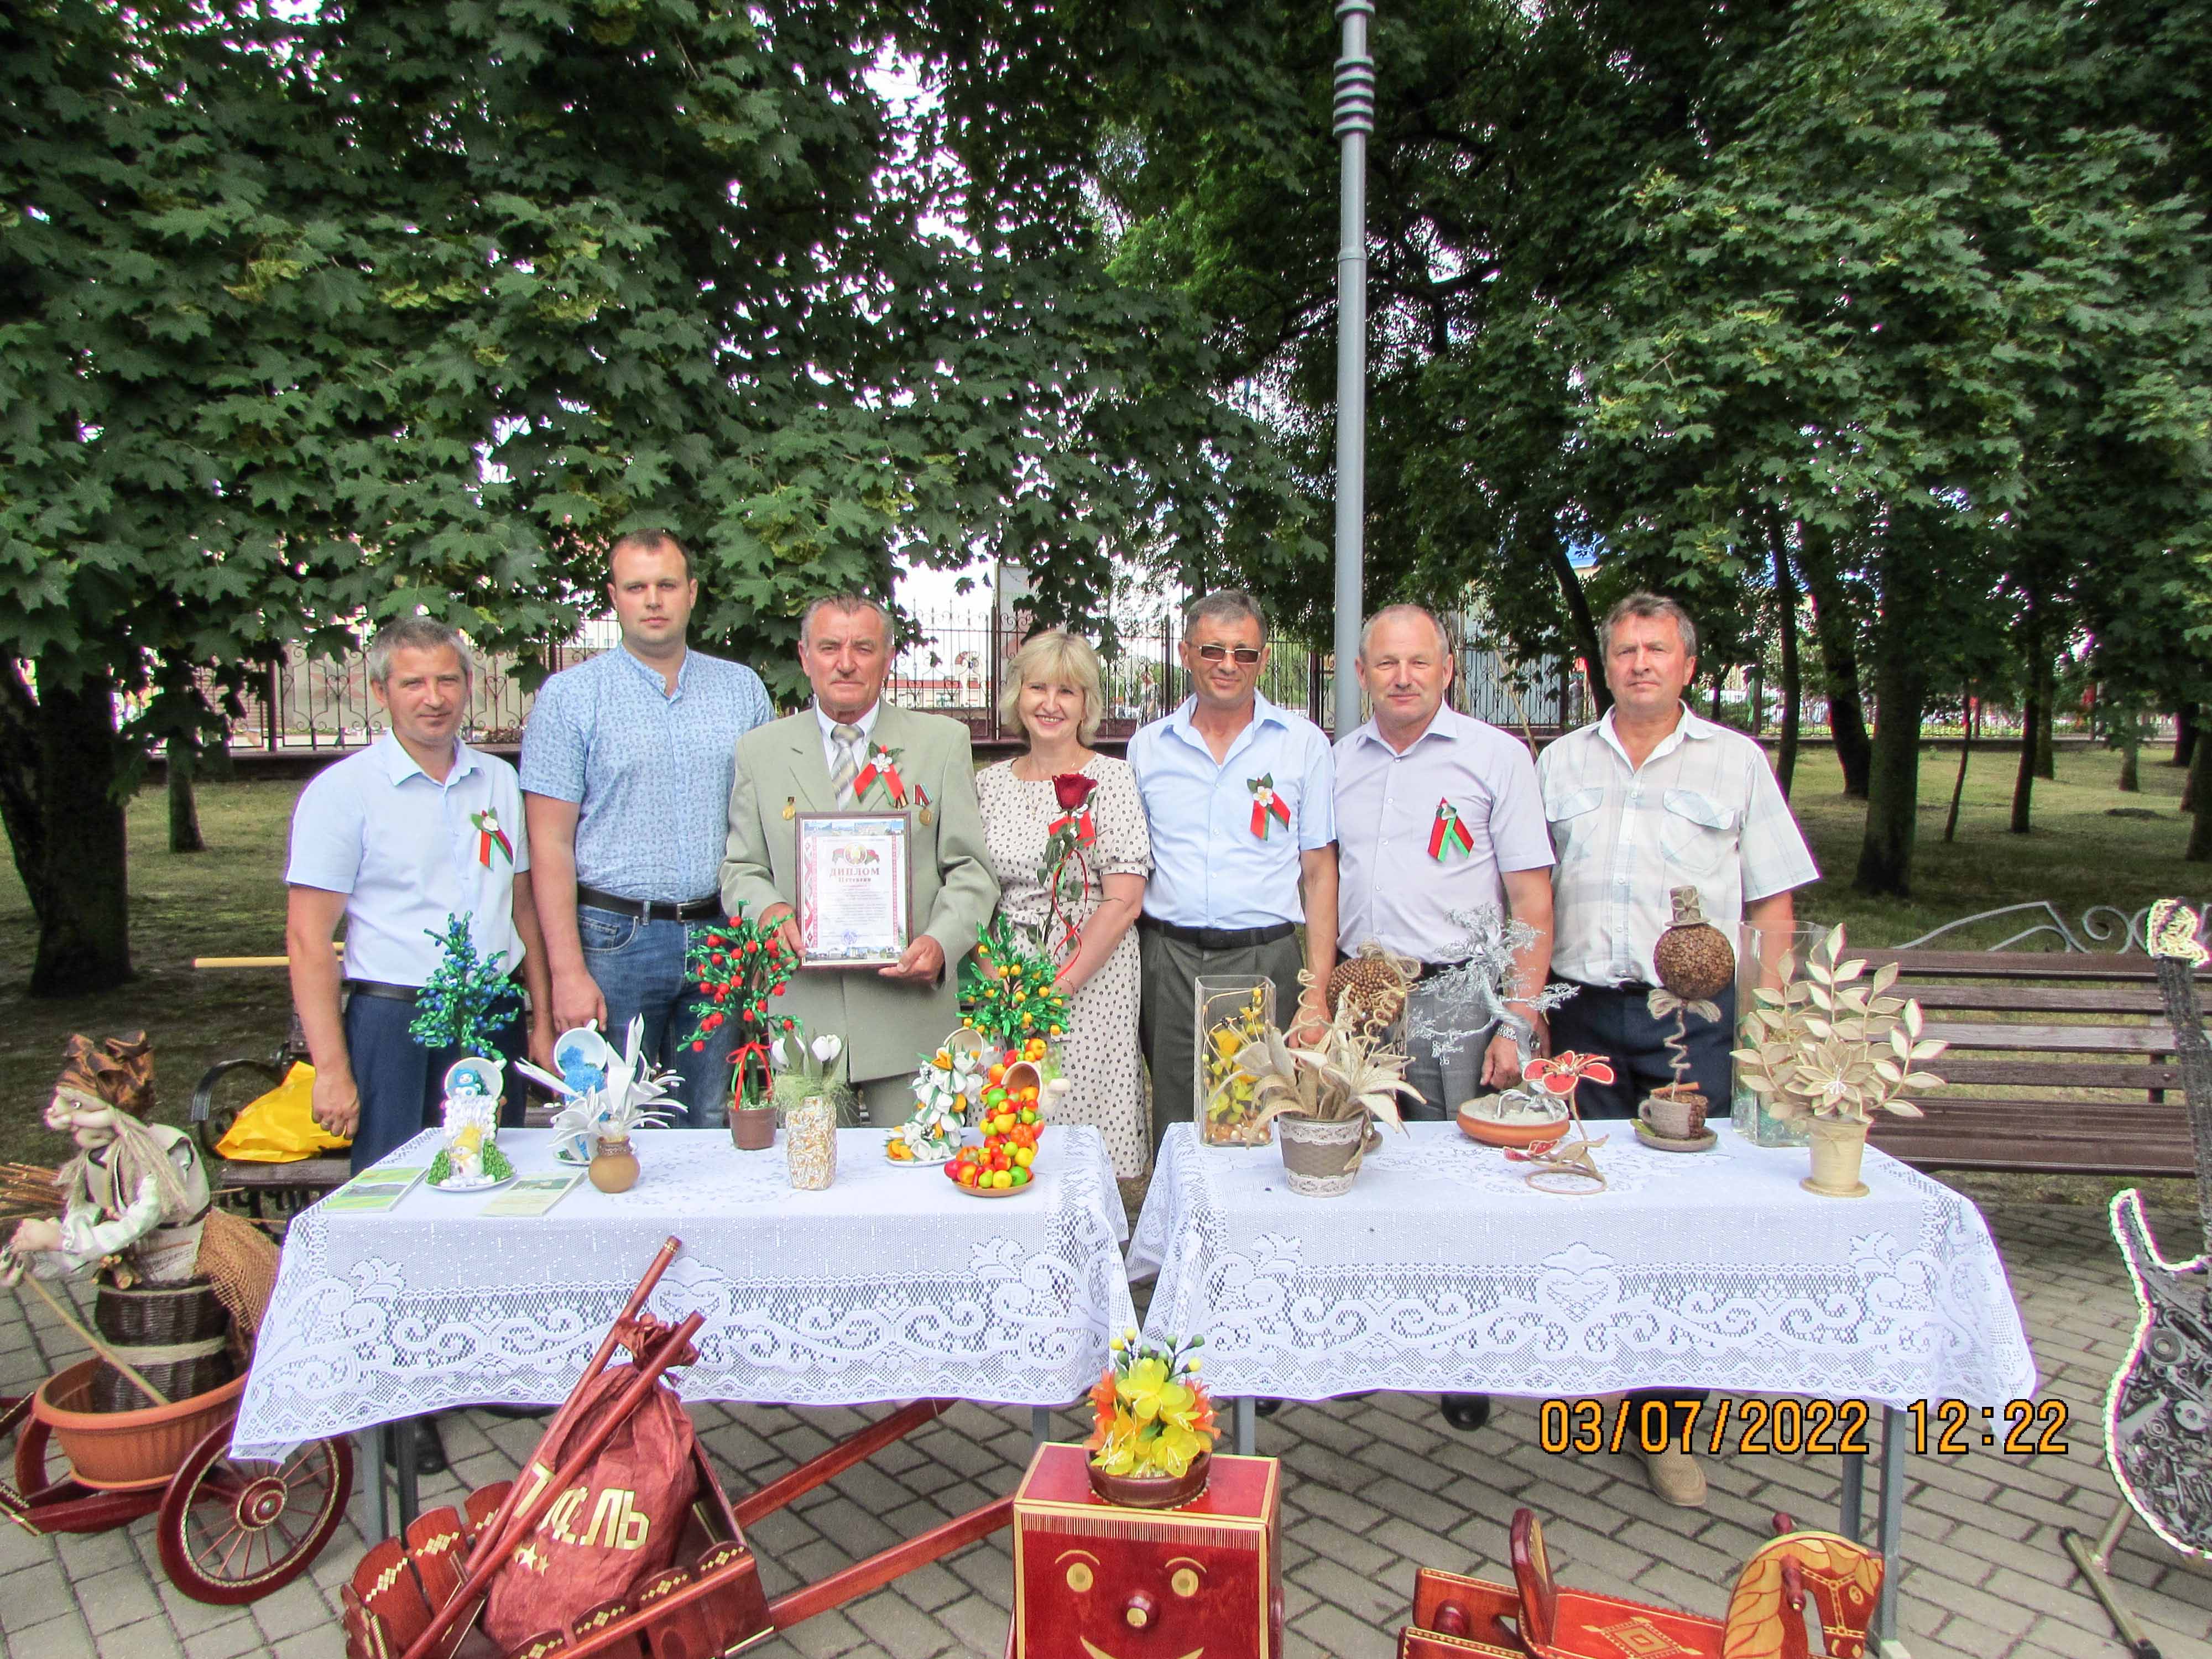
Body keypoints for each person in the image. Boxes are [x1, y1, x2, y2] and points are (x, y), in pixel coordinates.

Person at [1539, 591, 1818, 1508]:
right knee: (1591, 1207)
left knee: (1686, 1219)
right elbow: (1531, 896)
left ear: (1688, 666)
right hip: (1582, 1015)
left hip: (1688, 1023)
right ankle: (1600, 1381)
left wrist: (1771, 1035)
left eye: (1657, 650)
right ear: (1603, 666)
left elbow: (1772, 905)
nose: (1640, 664)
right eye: (1624, 650)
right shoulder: (1560, 763)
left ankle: (1668, 1423)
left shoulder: (1735, 763)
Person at [286, 617, 552, 1477]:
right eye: (413, 684)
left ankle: (473, 1358)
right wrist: (332, 1064)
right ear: (379, 692)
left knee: (485, 1184)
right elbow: (307, 938)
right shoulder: (344, 793)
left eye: (447, 680)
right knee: (394, 1198)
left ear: (467, 686)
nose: (434, 698)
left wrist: (540, 1016)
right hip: (395, 1019)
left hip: (489, 1013)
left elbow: (521, 912)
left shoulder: (497, 784)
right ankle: (397, 1391)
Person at [521, 530, 774, 1126]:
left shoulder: (741, 690)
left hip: (720, 932)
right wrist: (566, 973)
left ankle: (698, 1226)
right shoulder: (571, 699)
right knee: (609, 1122)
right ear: (615, 597)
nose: (652, 600)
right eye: (636, 587)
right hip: (613, 939)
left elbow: (765, 825)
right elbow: (548, 844)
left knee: (709, 1121)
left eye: (666, 585)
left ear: (691, 593)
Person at [719, 594, 999, 1121]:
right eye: (829, 647)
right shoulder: (760, 751)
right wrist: (771, 914)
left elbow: (970, 870)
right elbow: (741, 868)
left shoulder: (941, 742)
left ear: (888, 657)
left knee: (919, 1186)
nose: (845, 662)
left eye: (863, 648)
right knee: (813, 1188)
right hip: (807, 1014)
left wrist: (942, 943)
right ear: (805, 657)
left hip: (910, 1015)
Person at [1128, 590, 1337, 1147]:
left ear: (1264, 660)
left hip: (1262, 957)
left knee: (1257, 1124)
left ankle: (1254, 1238)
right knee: (1176, 1123)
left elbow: (1319, 874)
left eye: (1243, 653)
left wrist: (1315, 993)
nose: (1227, 665)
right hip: (1168, 958)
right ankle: (1178, 1233)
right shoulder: (1147, 750)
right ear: (1186, 653)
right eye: (1213, 650)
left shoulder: (1302, 747)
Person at [1335, 604, 1555, 1116]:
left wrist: (1516, 1021)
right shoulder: (1339, 763)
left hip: (1460, 1002)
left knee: (1456, 1164)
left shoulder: (1497, 759)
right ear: (1362, 673)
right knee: (1361, 1161)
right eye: (1387, 664)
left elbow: (1532, 902)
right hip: (1361, 1000)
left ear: (1448, 669)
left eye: (1420, 662)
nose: (1404, 678)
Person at [974, 629, 1152, 1181]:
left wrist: (1058, 989)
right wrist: (997, 980)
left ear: (1086, 706)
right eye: (1038, 688)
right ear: (1017, 696)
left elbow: (1123, 901)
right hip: (1006, 975)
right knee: (1010, 1120)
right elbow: (972, 889)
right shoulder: (987, 786)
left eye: (1067, 692)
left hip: (1089, 975)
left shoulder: (1112, 779)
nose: (1050, 704)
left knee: (1079, 1131)